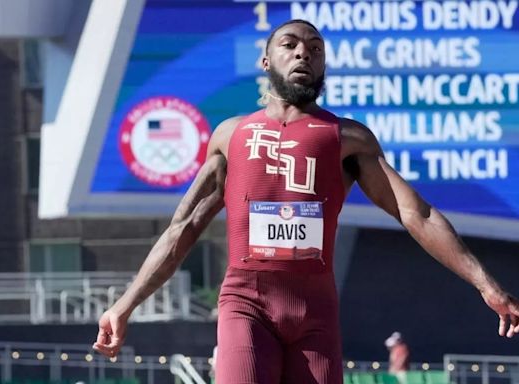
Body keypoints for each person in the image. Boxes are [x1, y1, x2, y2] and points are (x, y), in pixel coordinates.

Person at [93, 19, 519, 384]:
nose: (304, 54)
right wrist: (124, 305)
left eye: (315, 49)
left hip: (315, 313)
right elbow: (181, 230)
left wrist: (487, 284)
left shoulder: (348, 139)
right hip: (246, 302)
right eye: (290, 45)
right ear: (266, 62)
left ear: (324, 65)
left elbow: (417, 213)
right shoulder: (231, 135)